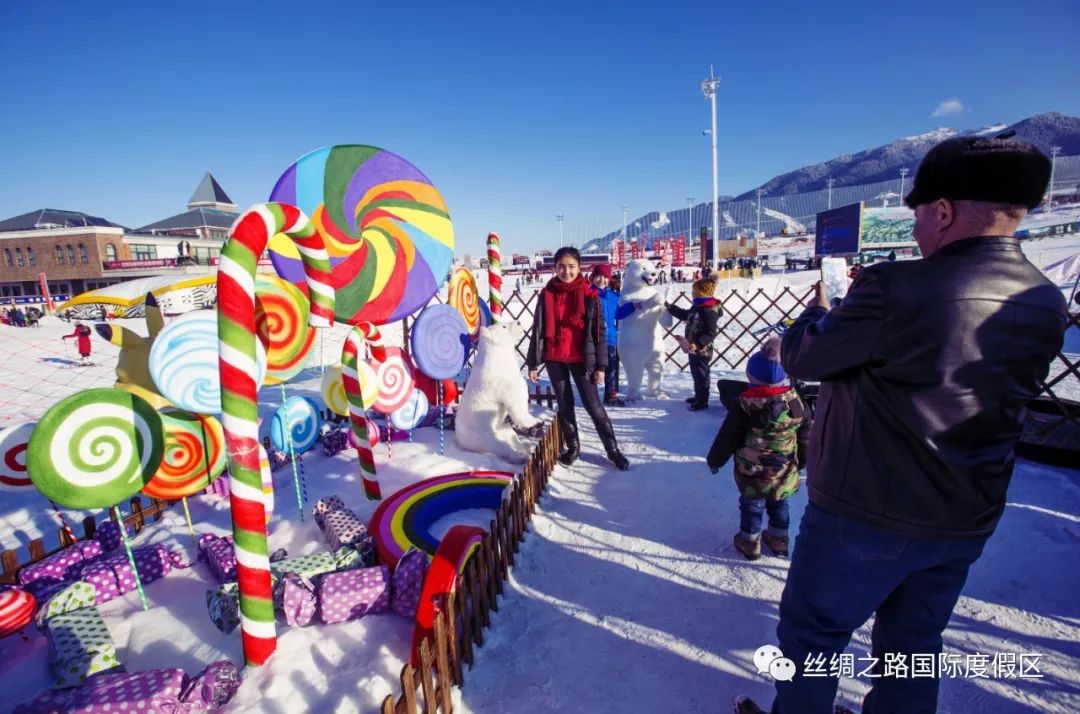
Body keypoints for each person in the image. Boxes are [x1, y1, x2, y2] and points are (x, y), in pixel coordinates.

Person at [735, 136, 1069, 713]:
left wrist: (817, 312)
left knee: (814, 640)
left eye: (917, 215)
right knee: (912, 647)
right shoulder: (1043, 298)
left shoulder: (898, 288)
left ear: (942, 210)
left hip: (867, 511)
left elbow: (810, 356)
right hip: (967, 512)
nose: (915, 231)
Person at [526, 247, 629, 471]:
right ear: (554, 268)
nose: (566, 271)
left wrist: (601, 365)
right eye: (561, 266)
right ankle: (573, 448)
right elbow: (538, 328)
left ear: (579, 268)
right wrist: (533, 362)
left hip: (583, 359)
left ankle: (613, 450)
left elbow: (599, 333)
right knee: (565, 405)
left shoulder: (590, 295)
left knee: (594, 406)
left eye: (571, 267)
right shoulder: (547, 294)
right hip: (555, 358)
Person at [706, 336, 810, 559]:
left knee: (752, 506)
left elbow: (728, 437)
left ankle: (749, 542)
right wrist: (803, 461)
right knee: (780, 504)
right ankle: (779, 539)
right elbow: (806, 437)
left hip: (752, 474)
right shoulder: (796, 403)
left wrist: (715, 460)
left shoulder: (743, 406)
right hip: (783, 472)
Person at [664, 276, 721, 410]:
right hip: (693, 347)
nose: (692, 294)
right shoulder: (698, 306)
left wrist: (699, 344)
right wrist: (670, 308)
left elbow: (711, 332)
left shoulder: (709, 310)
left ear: (701, 292)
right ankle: (698, 396)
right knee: (696, 373)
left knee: (702, 374)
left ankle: (702, 401)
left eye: (694, 292)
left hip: (702, 349)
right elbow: (685, 315)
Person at [589, 263, 630, 407]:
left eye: (605, 277)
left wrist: (632, 307)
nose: (602, 280)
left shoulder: (613, 296)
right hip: (593, 339)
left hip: (610, 338)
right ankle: (591, 397)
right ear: (593, 278)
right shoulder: (587, 294)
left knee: (611, 368)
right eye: (599, 276)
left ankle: (610, 396)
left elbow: (617, 314)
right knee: (592, 369)